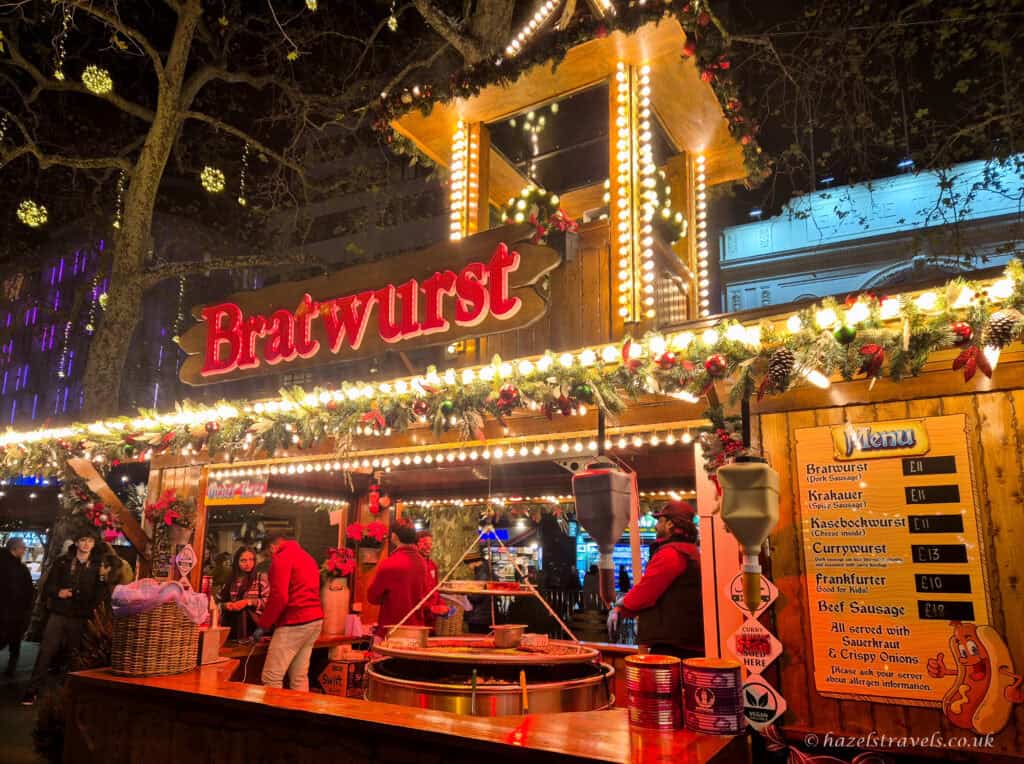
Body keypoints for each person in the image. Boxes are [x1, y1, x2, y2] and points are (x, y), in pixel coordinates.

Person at [608, 502, 703, 659]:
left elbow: (646, 591)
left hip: (673, 643)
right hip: (688, 640)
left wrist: (619, 607)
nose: (655, 526)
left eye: (660, 521)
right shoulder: (690, 551)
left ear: (670, 524)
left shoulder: (672, 553)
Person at [23, 531, 102, 704]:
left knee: (74, 654)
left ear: (94, 544)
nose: (86, 544)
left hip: (81, 616)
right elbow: (48, 586)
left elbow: (100, 592)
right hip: (59, 613)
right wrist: (59, 592)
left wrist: (92, 610)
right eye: (83, 540)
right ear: (76, 542)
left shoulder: (97, 565)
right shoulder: (63, 562)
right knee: (46, 651)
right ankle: (32, 690)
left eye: (90, 541)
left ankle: (69, 693)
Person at [255, 532, 323, 691]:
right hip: (314, 620)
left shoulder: (281, 558)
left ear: (272, 547)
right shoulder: (307, 557)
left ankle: (276, 716)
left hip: (295, 621)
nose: (270, 558)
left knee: (271, 677)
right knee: (299, 676)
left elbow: (279, 597)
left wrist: (263, 625)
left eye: (268, 554)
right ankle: (300, 715)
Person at [367, 523, 431, 637]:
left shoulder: (390, 563)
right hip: (416, 628)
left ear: (395, 536)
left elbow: (372, 597)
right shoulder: (422, 563)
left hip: (392, 628)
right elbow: (425, 594)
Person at [220, 546, 270, 641]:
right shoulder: (231, 580)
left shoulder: (260, 578)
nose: (248, 564)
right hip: (232, 628)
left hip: (253, 630)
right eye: (243, 560)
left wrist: (248, 602)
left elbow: (269, 602)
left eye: (251, 560)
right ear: (236, 562)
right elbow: (218, 602)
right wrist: (226, 605)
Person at [1, 538, 34, 677]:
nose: (24, 550)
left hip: (8, 609)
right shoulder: (19, 568)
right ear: (15, 549)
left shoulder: (15, 566)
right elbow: (27, 590)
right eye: (23, 547)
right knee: (14, 640)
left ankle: (11, 667)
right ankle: (11, 667)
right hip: (14, 610)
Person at [416, 531, 447, 626]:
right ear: (416, 544)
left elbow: (435, 589)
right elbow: (414, 593)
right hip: (419, 617)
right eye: (425, 544)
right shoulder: (415, 565)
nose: (429, 547)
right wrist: (430, 608)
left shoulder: (432, 565)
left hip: (432, 619)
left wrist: (442, 605)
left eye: (430, 544)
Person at [463, 551, 493, 634]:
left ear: (473, 562)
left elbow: (478, 596)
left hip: (480, 615)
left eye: (468, 564)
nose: (468, 567)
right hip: (486, 614)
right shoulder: (487, 570)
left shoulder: (482, 574)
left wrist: (466, 594)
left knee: (478, 636)